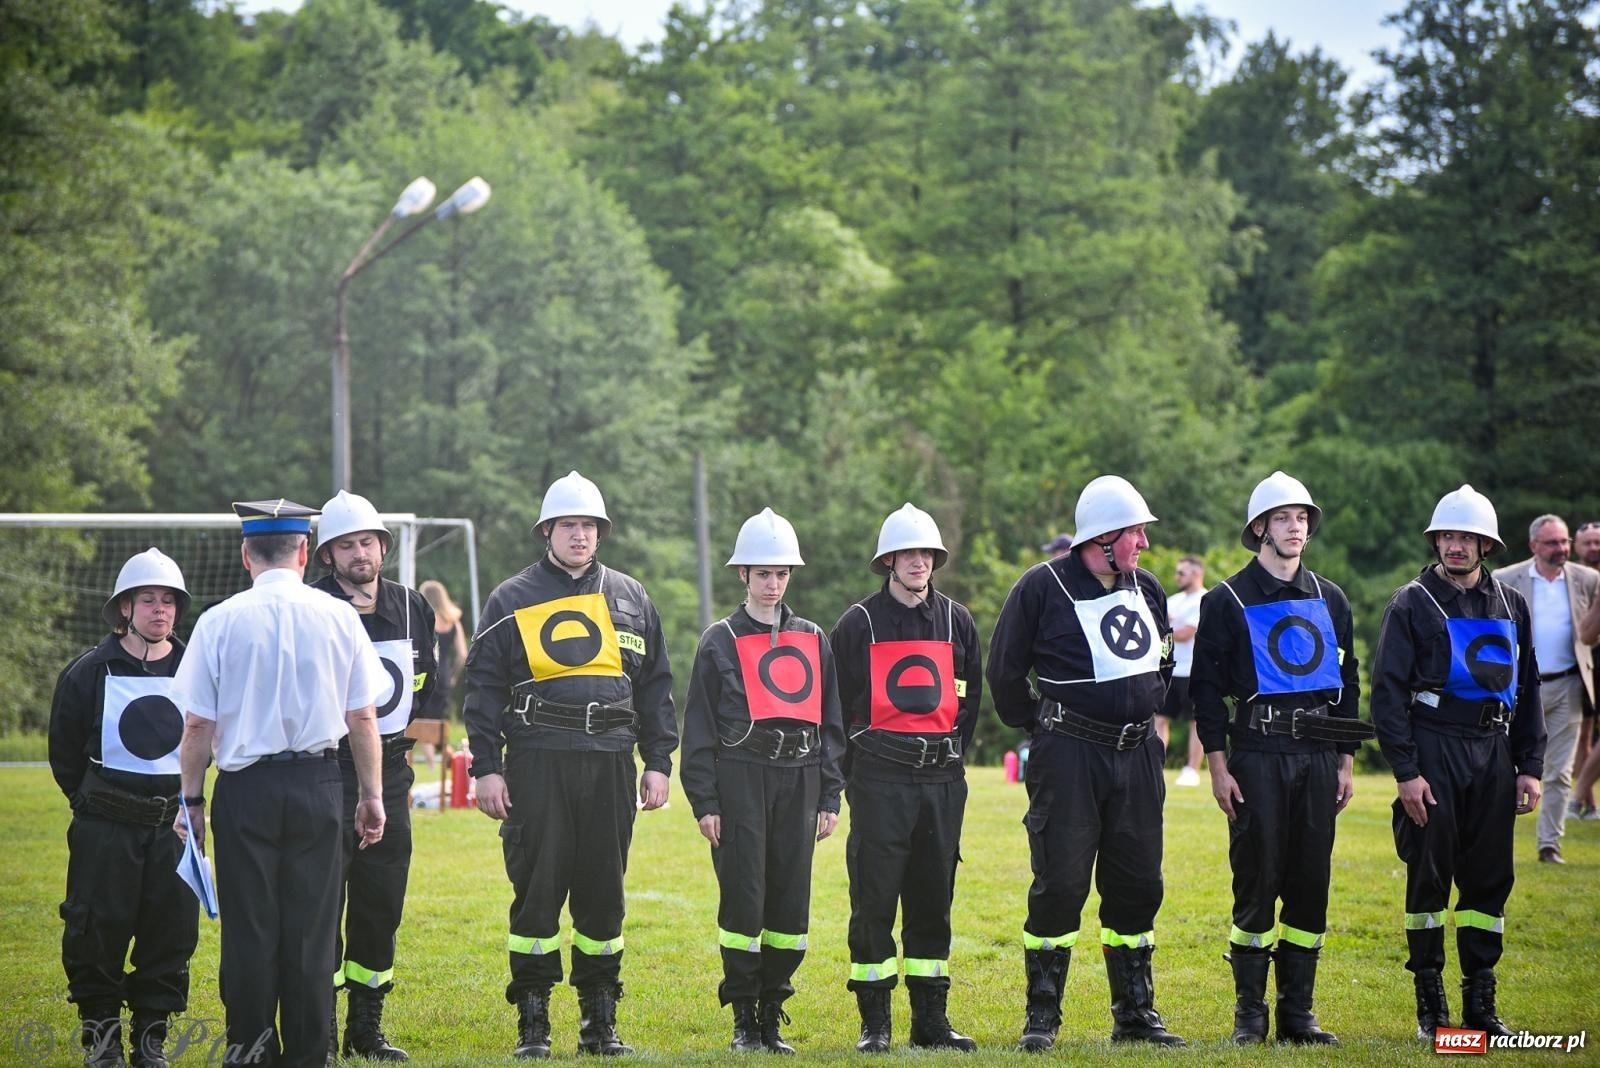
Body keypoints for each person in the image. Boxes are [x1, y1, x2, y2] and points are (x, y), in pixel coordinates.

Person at [462, 471, 678, 1058]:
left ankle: (600, 1023)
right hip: (538, 763)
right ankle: (533, 1023)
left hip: (611, 765)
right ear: (548, 531)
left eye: (588, 526)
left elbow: (656, 687)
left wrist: (658, 761)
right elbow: (481, 690)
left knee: (603, 894)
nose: (579, 535)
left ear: (600, 533)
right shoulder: (512, 597)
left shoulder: (632, 598)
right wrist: (486, 767)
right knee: (536, 892)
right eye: (568, 526)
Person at [172, 499, 388, 1068]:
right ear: (302, 551)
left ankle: (249, 1054)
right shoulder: (340, 616)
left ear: (246, 555)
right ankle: (310, 1056)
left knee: (249, 933)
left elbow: (197, 724)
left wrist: (191, 799)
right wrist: (371, 796)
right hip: (319, 784)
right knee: (314, 935)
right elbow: (362, 717)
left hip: (245, 789)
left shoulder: (219, 620)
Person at [987, 475, 1184, 1051]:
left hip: (1138, 756)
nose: (1144, 544)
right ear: (1101, 538)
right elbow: (1005, 673)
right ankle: (1042, 1017)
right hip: (1069, 755)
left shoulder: (1146, 588)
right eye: (1135, 532)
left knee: (1138, 882)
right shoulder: (1040, 587)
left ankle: (1135, 1014)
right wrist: (1045, 726)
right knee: (1062, 880)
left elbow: (1164, 660)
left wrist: (1143, 716)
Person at [1190, 472, 1370, 1046]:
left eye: (1302, 519)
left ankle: (1298, 1013)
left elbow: (1348, 681)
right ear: (1260, 528)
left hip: (1318, 756)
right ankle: (1250, 1013)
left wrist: (1345, 759)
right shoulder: (1226, 600)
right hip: (1258, 754)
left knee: (1310, 880)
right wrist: (1217, 765)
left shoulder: (1330, 597)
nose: (1296, 528)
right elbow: (1205, 692)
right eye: (1284, 519)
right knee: (1257, 877)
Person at [1370, 485, 1545, 1041]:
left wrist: (1530, 764)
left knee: (1488, 880)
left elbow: (1529, 688)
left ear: (1485, 544)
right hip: (1433, 748)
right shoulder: (1411, 602)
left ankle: (1480, 1002)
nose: (1455, 546)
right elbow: (1386, 692)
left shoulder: (1511, 605)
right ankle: (1431, 1005)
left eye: (1466, 537)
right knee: (1429, 877)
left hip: (1492, 753)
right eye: (1447, 536)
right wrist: (1405, 772)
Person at [680, 508, 845, 1054]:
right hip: (740, 779)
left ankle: (774, 1012)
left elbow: (832, 724)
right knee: (744, 900)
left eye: (781, 574)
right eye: (763, 573)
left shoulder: (814, 637)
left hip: (798, 779)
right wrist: (705, 801)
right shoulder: (719, 639)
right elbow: (699, 728)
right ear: (743, 575)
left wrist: (828, 795)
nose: (773, 584)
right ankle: (744, 1017)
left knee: (790, 903)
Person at [829, 504, 983, 1053]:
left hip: (941, 783)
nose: (918, 562)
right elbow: (837, 707)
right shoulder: (858, 624)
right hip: (879, 782)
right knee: (873, 899)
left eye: (926, 553)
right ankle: (876, 1024)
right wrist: (856, 775)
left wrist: (943, 760)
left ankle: (930, 1022)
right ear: (889, 560)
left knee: (932, 898)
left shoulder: (957, 620)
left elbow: (970, 702)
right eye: (908, 553)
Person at [49, 549, 199, 1068]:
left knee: (171, 933)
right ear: (125, 609)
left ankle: (151, 1039)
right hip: (105, 827)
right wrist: (98, 806)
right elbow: (64, 753)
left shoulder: (194, 668)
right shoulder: (88, 671)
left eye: (168, 602)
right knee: (96, 929)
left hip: (172, 829)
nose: (160, 610)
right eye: (148, 600)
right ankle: (102, 1039)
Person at [310, 491, 440, 1061]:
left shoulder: (413, 607)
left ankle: (366, 1027)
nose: (359, 552)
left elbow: (429, 684)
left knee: (380, 903)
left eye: (367, 541)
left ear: (383, 547)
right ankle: (318, 1025)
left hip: (391, 773)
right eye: (346, 544)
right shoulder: (311, 607)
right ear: (327, 556)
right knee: (319, 903)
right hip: (323, 774)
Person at [1490, 514, 1600, 863]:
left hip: (1568, 683)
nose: (1561, 549)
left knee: (1559, 771)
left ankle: (1549, 844)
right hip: (1519, 689)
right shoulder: (1505, 579)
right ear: (1534, 545)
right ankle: (1492, 835)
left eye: (1565, 541)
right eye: (1553, 543)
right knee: (1503, 766)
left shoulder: (1588, 580)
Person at [1161, 556, 1207, 787]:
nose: (1177, 576)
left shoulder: (1204, 600)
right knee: (1159, 719)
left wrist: (1167, 628)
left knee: (1194, 722)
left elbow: (1186, 633)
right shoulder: (1173, 600)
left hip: (1192, 671)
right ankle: (1156, 764)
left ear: (1197, 574)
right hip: (1169, 670)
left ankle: (1192, 770)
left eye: (1182, 573)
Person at [1570, 521, 1600, 817]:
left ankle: (1576, 797)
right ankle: (1587, 802)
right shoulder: (1572, 580)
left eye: (1598, 542)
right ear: (1576, 546)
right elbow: (1585, 634)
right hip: (1586, 660)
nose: (1594, 548)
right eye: (1588, 542)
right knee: (1583, 734)